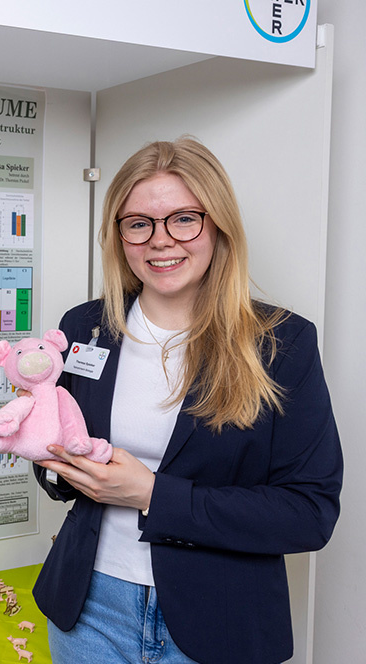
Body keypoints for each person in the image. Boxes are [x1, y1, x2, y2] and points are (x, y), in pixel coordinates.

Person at [32, 137, 342, 664]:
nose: (160, 241)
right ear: (119, 236)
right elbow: (56, 467)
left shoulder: (281, 343)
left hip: (220, 620)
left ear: (218, 225)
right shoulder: (84, 326)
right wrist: (47, 449)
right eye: (139, 223)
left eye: (183, 219)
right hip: (87, 609)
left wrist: (152, 494)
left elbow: (309, 512)